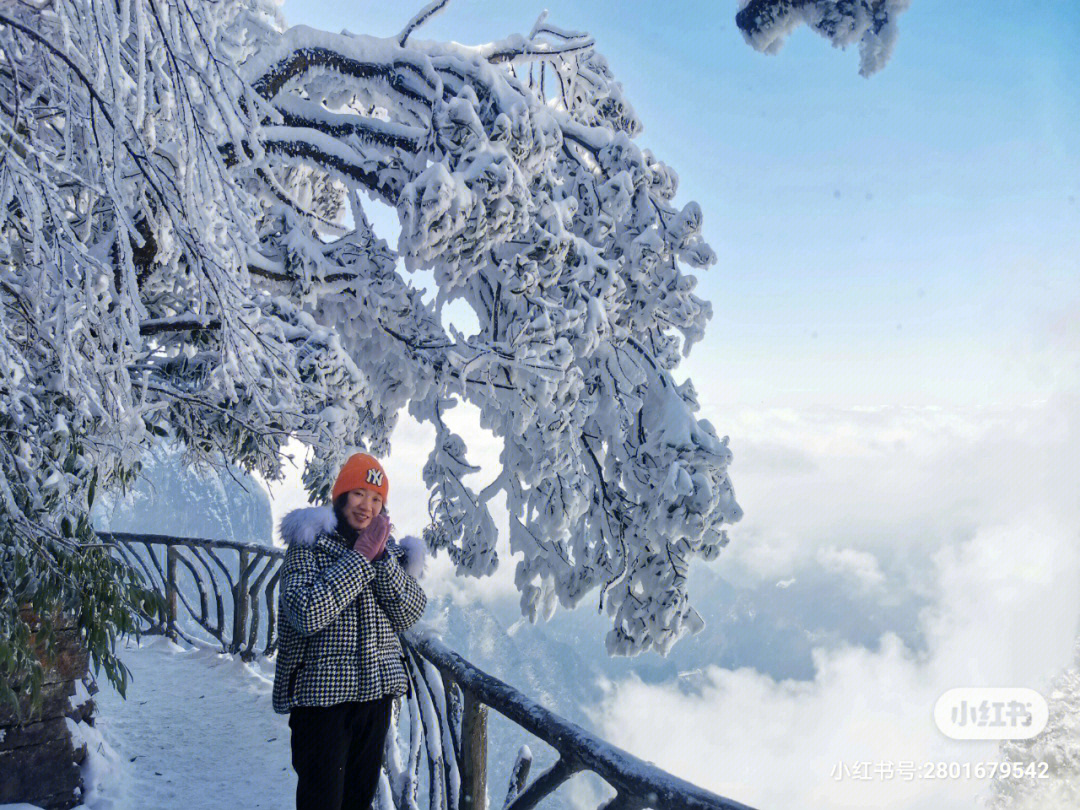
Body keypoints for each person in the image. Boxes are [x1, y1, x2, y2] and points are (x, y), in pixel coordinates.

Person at [272, 452, 427, 810]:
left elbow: (410, 612)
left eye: (376, 499)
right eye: (359, 493)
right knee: (321, 801)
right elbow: (305, 612)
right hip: (321, 704)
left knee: (358, 801)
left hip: (374, 700)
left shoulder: (387, 552)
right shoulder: (307, 546)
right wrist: (358, 560)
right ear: (341, 495)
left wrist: (381, 560)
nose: (367, 506)